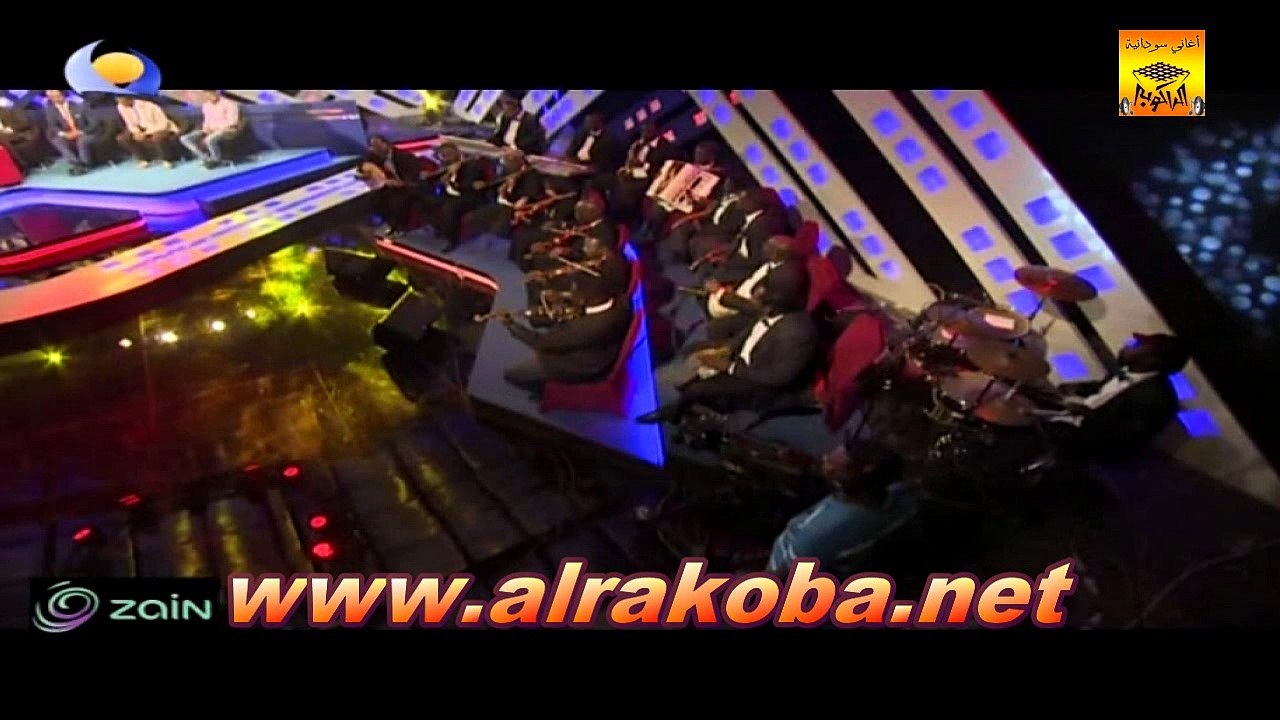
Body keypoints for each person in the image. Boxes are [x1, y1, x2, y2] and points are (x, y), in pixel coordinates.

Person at [639, 263, 816, 423]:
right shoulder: (776, 309)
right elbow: (752, 330)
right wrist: (727, 348)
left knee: (697, 390)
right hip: (742, 361)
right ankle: (684, 397)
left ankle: (675, 413)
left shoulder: (798, 334)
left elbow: (776, 378)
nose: (759, 296)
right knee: (694, 349)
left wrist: (730, 367)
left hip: (758, 384)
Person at [766, 439, 918, 575]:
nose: (825, 460)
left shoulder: (819, 535)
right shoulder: (901, 497)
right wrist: (810, 465)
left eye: (831, 465)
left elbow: (780, 578)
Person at [1037, 332, 1190, 460]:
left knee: (1033, 430)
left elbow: (1124, 437)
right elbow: (1104, 389)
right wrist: (1076, 388)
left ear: (1153, 360)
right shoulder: (1131, 369)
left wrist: (1088, 414)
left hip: (1091, 440)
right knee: (1034, 395)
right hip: (1076, 416)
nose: (1127, 345)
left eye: (1136, 345)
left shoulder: (1156, 400)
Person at [500, 275, 634, 393]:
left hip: (580, 365)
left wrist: (511, 325)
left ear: (585, 299)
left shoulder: (583, 328)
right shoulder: (620, 302)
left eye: (576, 291)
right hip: (599, 351)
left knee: (513, 375)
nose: (572, 292)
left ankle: (541, 391)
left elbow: (542, 342)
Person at [701, 234, 806, 342]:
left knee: (715, 327)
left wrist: (721, 292)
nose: (764, 248)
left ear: (776, 253)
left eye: (769, 246)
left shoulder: (780, 279)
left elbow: (756, 308)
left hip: (744, 310)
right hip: (737, 291)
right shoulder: (771, 263)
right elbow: (750, 275)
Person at [706, 189, 790, 284]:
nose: (738, 201)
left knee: (714, 276)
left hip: (748, 267)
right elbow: (742, 239)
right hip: (740, 253)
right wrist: (727, 250)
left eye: (743, 199)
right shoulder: (752, 217)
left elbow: (756, 260)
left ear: (752, 203)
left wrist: (726, 260)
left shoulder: (759, 228)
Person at [462, 150, 542, 240]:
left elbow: (526, 197)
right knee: (471, 218)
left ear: (518, 161)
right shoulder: (508, 170)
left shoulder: (531, 175)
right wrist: (485, 185)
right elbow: (495, 186)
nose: (505, 164)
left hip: (513, 208)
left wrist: (511, 187)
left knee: (498, 229)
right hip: (498, 204)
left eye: (508, 161)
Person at [424, 142, 487, 251]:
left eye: (449, 154)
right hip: (450, 194)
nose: (447, 157)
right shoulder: (446, 165)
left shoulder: (471, 164)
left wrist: (450, 180)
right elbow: (435, 181)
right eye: (444, 155)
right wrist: (433, 178)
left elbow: (468, 187)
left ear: (457, 152)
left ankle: (452, 240)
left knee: (449, 208)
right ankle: (439, 228)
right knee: (428, 201)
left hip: (468, 196)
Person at [612, 120, 678, 223]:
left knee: (627, 189)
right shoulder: (637, 145)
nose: (644, 133)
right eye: (643, 131)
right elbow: (630, 162)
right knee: (618, 181)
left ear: (656, 131)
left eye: (648, 131)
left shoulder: (665, 147)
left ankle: (632, 219)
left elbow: (661, 168)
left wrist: (640, 168)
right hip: (636, 174)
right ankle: (622, 218)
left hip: (652, 177)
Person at [43, 90, 105, 175]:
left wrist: (80, 132)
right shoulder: (49, 110)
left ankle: (86, 164)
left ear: (63, 94)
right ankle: (76, 163)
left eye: (58, 96)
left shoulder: (79, 105)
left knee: (82, 140)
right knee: (58, 141)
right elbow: (53, 126)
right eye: (52, 97)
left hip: (87, 132)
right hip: (69, 133)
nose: (56, 99)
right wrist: (64, 134)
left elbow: (94, 123)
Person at [180, 90, 243, 168]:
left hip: (226, 129)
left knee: (209, 139)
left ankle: (216, 160)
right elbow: (207, 120)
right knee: (185, 138)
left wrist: (215, 128)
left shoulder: (229, 103)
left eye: (211, 94)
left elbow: (232, 122)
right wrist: (206, 128)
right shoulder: (206, 105)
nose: (210, 96)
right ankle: (206, 158)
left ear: (217, 93)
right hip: (210, 130)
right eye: (207, 95)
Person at [114, 96, 179, 168]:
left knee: (157, 137)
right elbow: (129, 123)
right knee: (122, 138)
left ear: (129, 99)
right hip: (142, 129)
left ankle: (168, 160)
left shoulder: (149, 105)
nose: (119, 102)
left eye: (121, 100)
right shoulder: (121, 107)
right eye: (117, 100)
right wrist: (136, 132)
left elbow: (164, 124)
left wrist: (146, 133)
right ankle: (144, 158)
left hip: (159, 127)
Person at [565, 112, 618, 191]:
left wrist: (583, 168)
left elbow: (602, 164)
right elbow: (570, 150)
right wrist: (571, 162)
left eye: (590, 122)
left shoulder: (608, 140)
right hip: (576, 164)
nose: (587, 124)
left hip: (594, 170)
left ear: (600, 124)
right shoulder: (581, 133)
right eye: (587, 122)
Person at [0, 105, 40, 172]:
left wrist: (11, 129)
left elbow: (24, 123)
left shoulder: (6, 111)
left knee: (4, 139)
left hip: (16, 132)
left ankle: (22, 166)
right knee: (3, 139)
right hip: (5, 138)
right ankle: (21, 166)